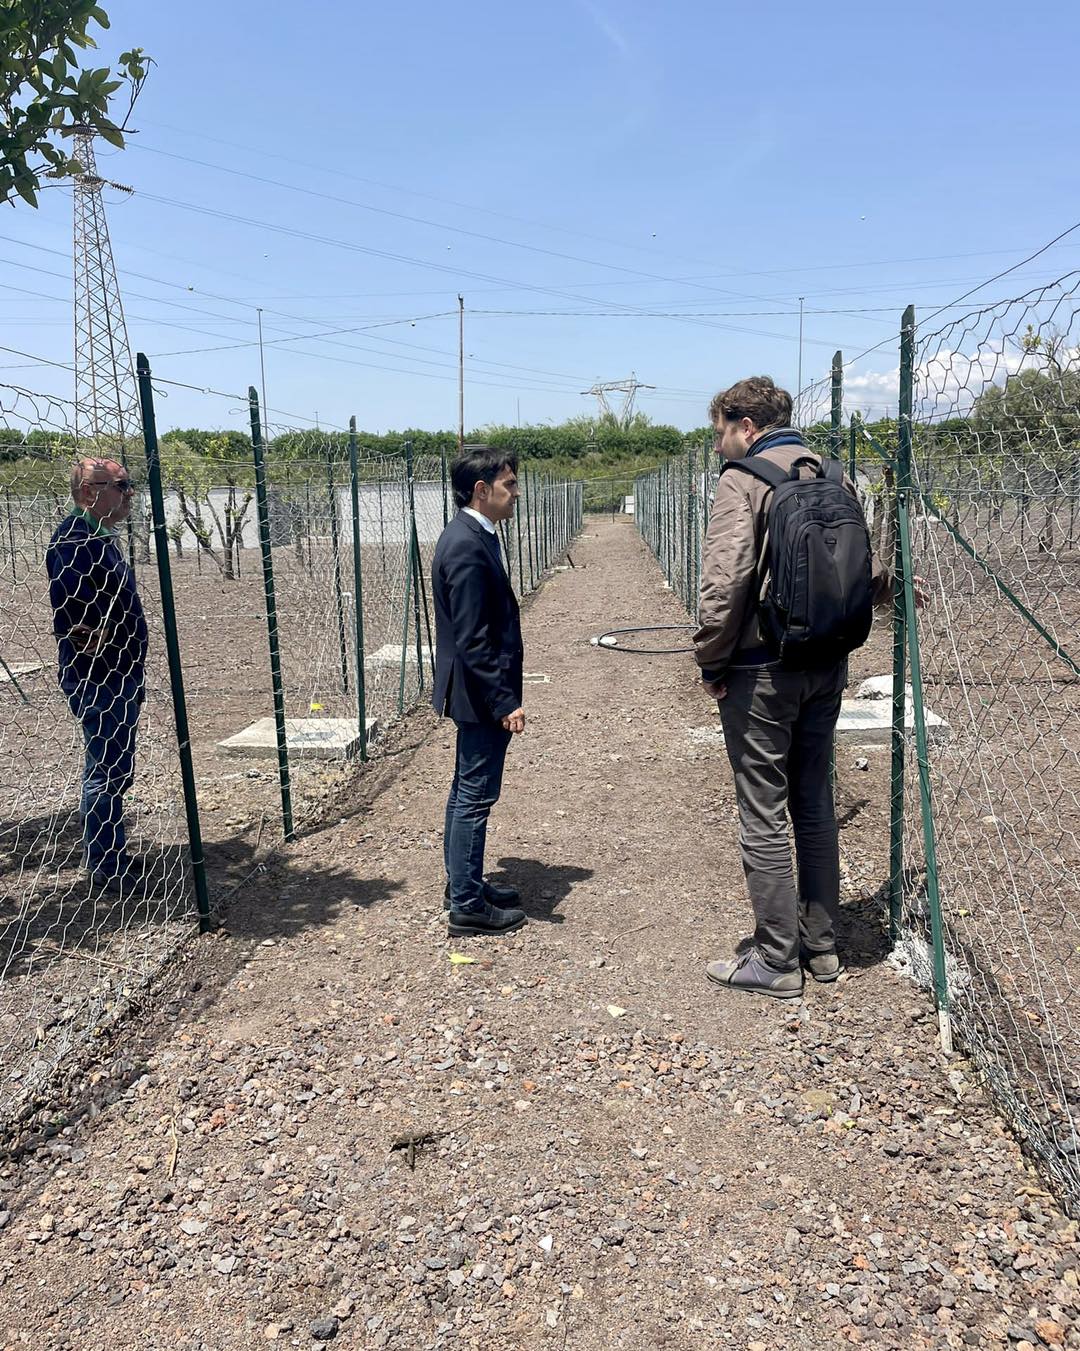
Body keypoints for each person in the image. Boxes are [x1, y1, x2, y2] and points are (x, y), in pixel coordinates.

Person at [695, 377, 891, 1000]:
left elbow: (725, 586)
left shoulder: (744, 479)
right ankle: (822, 945)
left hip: (761, 669)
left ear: (745, 424)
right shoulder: (833, 473)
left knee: (762, 809)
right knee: (812, 800)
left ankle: (776, 959)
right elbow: (874, 574)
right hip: (828, 664)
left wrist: (711, 661)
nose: (721, 444)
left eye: (722, 431)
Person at [432, 446, 528, 938]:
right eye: (509, 485)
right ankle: (467, 903)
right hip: (478, 691)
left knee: (465, 790)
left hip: (473, 688)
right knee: (474, 793)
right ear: (481, 490)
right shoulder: (467, 544)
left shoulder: (475, 533)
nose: (516, 493)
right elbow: (473, 638)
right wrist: (503, 701)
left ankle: (463, 883)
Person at [47, 457, 147, 891]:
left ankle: (113, 853)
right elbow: (82, 624)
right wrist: (110, 641)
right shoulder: (73, 543)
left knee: (115, 769)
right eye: (120, 486)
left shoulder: (99, 536)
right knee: (104, 772)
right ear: (90, 492)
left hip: (118, 673)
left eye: (129, 484)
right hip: (100, 678)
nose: (129, 494)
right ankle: (106, 869)